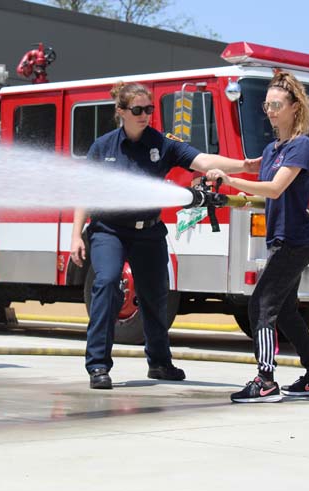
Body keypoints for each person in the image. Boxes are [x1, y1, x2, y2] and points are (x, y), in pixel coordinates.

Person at [70, 81, 261, 390]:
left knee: (156, 294)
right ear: (121, 112)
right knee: (106, 284)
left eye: (149, 109)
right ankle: (98, 366)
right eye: (137, 110)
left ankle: (159, 363)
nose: (145, 115)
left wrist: (244, 165)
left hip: (148, 232)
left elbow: (204, 160)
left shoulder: (163, 144)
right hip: (109, 230)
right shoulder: (102, 147)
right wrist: (76, 236)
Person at [207, 71, 309, 403]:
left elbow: (275, 188)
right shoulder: (273, 149)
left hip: (295, 240)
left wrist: (229, 182)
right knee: (286, 311)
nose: (271, 111)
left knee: (261, 304)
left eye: (277, 104)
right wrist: (209, 172)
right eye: (266, 104)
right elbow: (247, 168)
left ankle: (266, 380)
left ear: (294, 107)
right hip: (281, 239)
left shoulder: (301, 146)